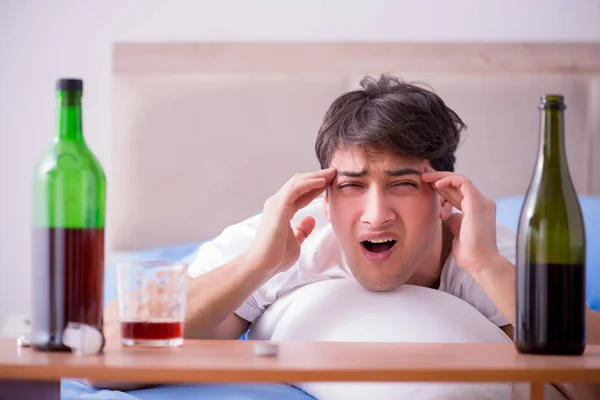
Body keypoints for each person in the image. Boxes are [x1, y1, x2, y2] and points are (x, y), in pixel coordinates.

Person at [98, 74, 600, 399]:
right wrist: (256, 266)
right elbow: (108, 341)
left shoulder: (490, 250)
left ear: (444, 193)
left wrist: (487, 267)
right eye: (352, 186)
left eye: (403, 184)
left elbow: (585, 379)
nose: (376, 215)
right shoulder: (288, 238)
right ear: (324, 193)